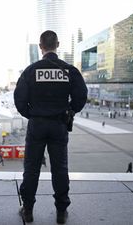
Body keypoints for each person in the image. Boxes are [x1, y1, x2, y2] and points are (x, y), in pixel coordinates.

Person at [14, 30, 87, 224]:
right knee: (60, 169)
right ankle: (61, 211)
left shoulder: (31, 70)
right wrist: (69, 111)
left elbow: (19, 100)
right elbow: (81, 96)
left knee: (31, 169)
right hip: (59, 124)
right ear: (58, 44)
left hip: (37, 124)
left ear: (41, 46)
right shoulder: (68, 70)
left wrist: (33, 114)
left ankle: (28, 210)